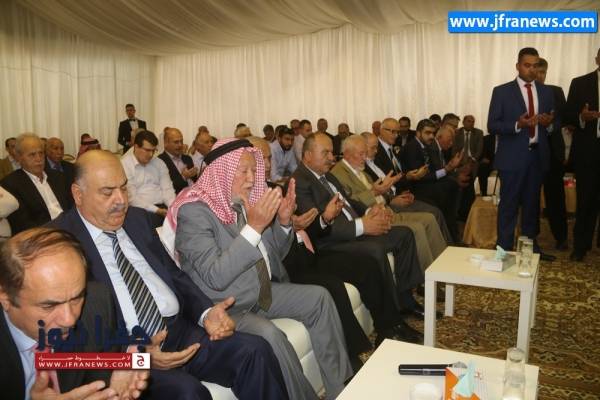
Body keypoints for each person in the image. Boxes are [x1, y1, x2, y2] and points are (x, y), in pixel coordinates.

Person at [51, 150, 288, 400]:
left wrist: (206, 313)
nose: (121, 200)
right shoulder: (57, 243)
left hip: (179, 330)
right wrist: (139, 358)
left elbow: (175, 275)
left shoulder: (137, 220)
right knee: (188, 393)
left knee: (255, 351)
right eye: (107, 192)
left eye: (123, 188)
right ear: (78, 194)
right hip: (125, 351)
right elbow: (67, 343)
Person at [167, 138, 352, 400]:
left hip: (261, 291)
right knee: (270, 336)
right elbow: (215, 276)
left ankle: (340, 390)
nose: (252, 179)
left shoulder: (244, 202)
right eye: (244, 171)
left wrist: (284, 223)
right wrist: (253, 228)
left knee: (319, 298)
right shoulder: (193, 212)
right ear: (222, 171)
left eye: (254, 171)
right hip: (226, 305)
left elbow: (273, 253)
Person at [292, 133, 425, 338]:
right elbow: (314, 228)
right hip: (331, 242)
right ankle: (390, 323)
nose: (331, 157)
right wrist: (363, 225)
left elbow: (350, 202)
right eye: (325, 153)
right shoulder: (300, 182)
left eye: (331, 152)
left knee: (404, 235)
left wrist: (371, 211)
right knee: (375, 250)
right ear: (308, 155)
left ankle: (405, 300)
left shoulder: (327, 175)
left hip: (354, 228)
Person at [0, 227, 149, 400]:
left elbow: (101, 362)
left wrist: (139, 359)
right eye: (49, 306)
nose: (69, 320)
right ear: (5, 297)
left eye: (77, 298)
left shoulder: (96, 303)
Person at [331, 135, 446, 272]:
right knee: (417, 228)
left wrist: (386, 194)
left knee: (430, 218)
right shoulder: (338, 173)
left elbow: (379, 194)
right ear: (347, 153)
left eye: (365, 153)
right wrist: (375, 192)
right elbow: (349, 202)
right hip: (373, 218)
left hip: (386, 211)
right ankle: (428, 276)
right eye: (361, 154)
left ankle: (442, 268)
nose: (365, 158)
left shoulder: (361, 171)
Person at [488, 47, 555, 260]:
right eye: (527, 65)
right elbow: (492, 125)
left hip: (537, 157)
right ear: (518, 66)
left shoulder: (546, 92)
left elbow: (554, 122)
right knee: (508, 205)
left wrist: (549, 123)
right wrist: (518, 124)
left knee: (532, 205)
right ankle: (504, 249)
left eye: (535, 66)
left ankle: (530, 248)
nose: (532, 69)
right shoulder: (501, 91)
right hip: (512, 158)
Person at [362, 131, 452, 243]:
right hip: (388, 204)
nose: (376, 150)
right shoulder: (365, 167)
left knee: (436, 209)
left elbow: (395, 179)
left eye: (397, 131)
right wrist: (392, 199)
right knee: (432, 214)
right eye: (373, 148)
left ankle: (448, 246)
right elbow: (370, 195)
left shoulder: (377, 159)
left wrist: (403, 190)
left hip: (399, 194)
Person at [565, 48, 600, 261]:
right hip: (588, 152)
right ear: (597, 59)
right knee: (586, 201)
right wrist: (581, 117)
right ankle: (581, 246)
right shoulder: (580, 83)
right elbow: (568, 115)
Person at [401, 119, 461, 242]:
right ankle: (450, 237)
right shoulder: (412, 147)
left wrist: (448, 169)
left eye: (433, 133)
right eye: (427, 133)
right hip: (416, 188)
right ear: (418, 133)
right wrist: (447, 169)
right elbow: (420, 177)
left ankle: (451, 234)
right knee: (447, 187)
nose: (431, 136)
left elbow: (432, 171)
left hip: (426, 184)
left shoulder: (425, 146)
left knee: (451, 184)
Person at [1, 134, 72, 234]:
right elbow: (23, 225)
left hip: (71, 228)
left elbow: (72, 207)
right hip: (43, 235)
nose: (39, 159)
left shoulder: (58, 177)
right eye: (32, 155)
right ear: (19, 158)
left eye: (41, 153)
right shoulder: (11, 184)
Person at [536, 57, 569, 251]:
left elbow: (564, 117)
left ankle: (561, 237)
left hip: (552, 153)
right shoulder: (521, 93)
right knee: (530, 198)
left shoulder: (556, 91)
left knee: (556, 198)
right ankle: (531, 239)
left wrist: (550, 124)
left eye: (543, 72)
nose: (540, 76)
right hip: (530, 153)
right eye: (537, 72)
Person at [120, 130, 175, 227]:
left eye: (153, 150)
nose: (151, 155)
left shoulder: (159, 163)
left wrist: (173, 207)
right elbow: (132, 198)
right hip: (140, 209)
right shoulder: (125, 165)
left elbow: (167, 189)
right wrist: (157, 210)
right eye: (147, 150)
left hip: (163, 206)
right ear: (136, 147)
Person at [159, 128, 199, 194]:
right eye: (176, 142)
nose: (180, 145)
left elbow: (195, 181)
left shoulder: (187, 158)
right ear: (166, 143)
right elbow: (165, 188)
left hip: (195, 194)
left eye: (181, 141)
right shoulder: (160, 161)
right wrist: (183, 177)